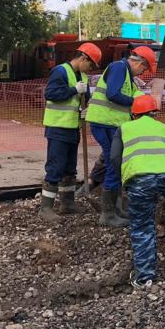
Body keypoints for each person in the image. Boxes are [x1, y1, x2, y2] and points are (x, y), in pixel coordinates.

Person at [109, 95, 165, 288]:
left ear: (134, 114)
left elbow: (115, 157)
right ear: (155, 113)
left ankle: (144, 277)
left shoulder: (124, 128)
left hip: (140, 178)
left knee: (142, 226)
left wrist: (125, 178)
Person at [86, 45, 156, 226]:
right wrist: (135, 103)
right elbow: (113, 94)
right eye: (144, 69)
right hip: (104, 123)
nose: (143, 73)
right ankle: (108, 215)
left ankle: (115, 209)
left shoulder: (127, 76)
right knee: (113, 164)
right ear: (140, 63)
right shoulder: (119, 68)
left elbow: (134, 95)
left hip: (110, 124)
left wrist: (147, 105)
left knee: (116, 164)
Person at [39, 43, 101, 222]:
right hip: (58, 127)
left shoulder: (82, 76)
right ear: (83, 58)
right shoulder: (60, 71)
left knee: (69, 168)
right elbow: (51, 94)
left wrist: (85, 109)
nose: (90, 69)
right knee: (55, 167)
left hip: (73, 127)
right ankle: (45, 209)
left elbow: (84, 99)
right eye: (90, 65)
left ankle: (67, 204)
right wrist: (74, 90)